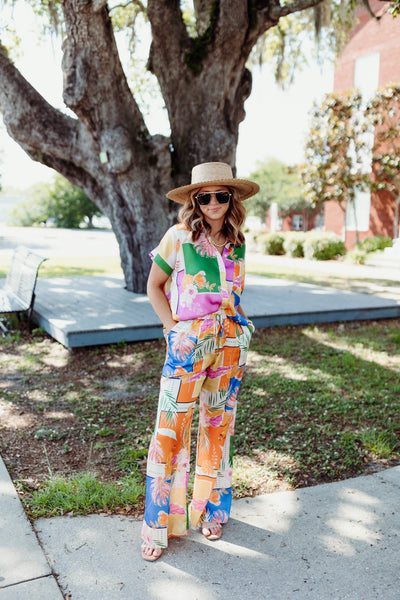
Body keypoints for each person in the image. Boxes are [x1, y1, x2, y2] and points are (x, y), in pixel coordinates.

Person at [140, 161, 259, 561]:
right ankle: (157, 528)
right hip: (188, 345)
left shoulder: (238, 240)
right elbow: (153, 286)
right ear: (195, 200)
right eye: (204, 196)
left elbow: (234, 293)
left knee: (217, 428)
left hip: (229, 346)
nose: (212, 202)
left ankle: (211, 509)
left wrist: (239, 331)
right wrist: (172, 328)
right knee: (170, 429)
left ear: (231, 199)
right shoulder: (178, 238)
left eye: (220, 195)